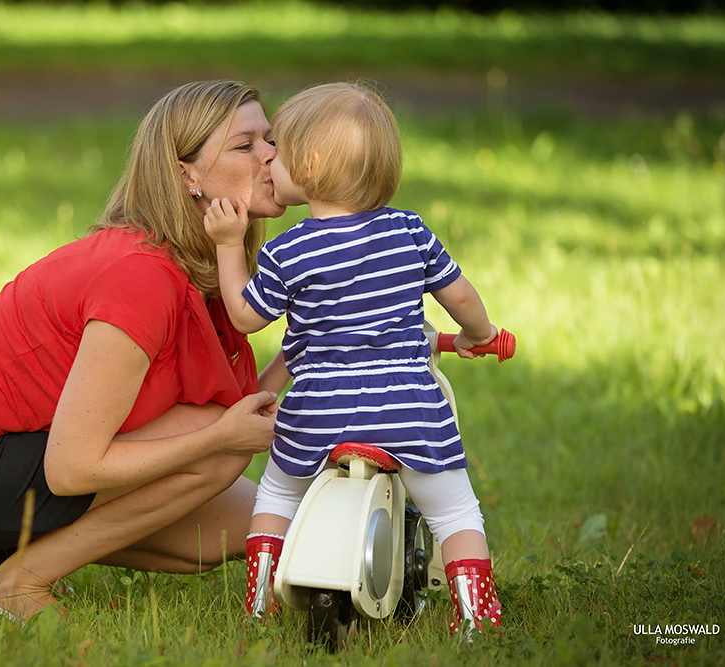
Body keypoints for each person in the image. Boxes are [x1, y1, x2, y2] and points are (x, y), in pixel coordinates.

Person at [0, 80, 294, 622]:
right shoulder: (142, 276)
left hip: (18, 452)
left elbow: (238, 405)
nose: (271, 156)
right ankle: (15, 585)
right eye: (246, 146)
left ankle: (4, 556)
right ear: (185, 175)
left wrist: (300, 351)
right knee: (218, 450)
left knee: (236, 527)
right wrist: (218, 437)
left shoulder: (210, 265)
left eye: (271, 139)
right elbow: (73, 470)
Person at [203, 82, 502, 637]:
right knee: (456, 511)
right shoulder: (409, 231)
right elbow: (459, 296)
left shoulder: (289, 251)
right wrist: (477, 334)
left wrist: (227, 244)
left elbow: (246, 318)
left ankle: (260, 601)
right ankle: (477, 617)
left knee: (276, 493)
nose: (268, 161)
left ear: (311, 164)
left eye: (279, 151)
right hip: (409, 410)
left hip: (318, 413)